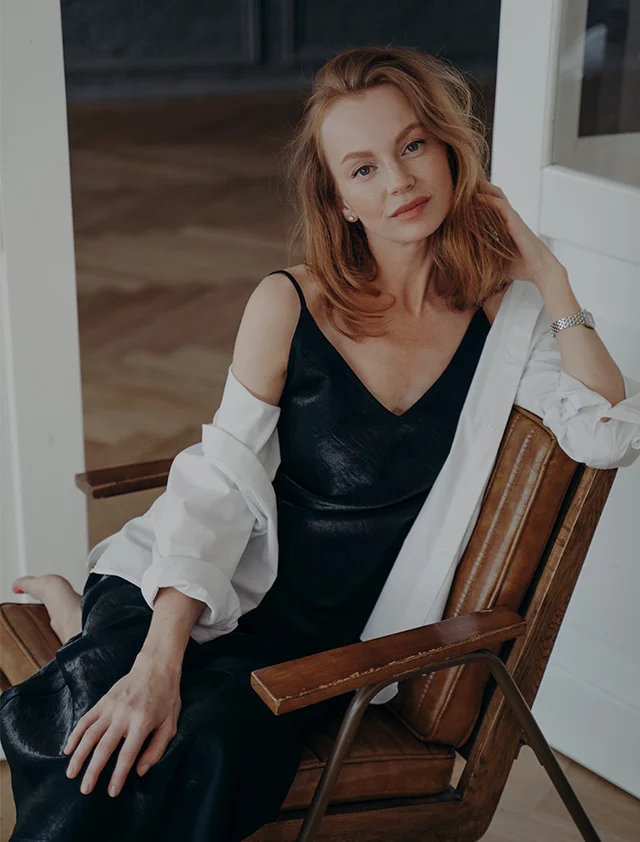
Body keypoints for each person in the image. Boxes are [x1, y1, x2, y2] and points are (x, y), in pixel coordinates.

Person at [2, 46, 638, 842]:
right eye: (364, 168)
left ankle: (77, 624)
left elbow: (607, 431)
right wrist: (157, 664)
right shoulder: (289, 303)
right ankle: (93, 622)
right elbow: (217, 488)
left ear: (448, 148)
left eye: (412, 146)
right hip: (193, 583)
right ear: (338, 198)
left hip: (314, 645)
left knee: (202, 747)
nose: (400, 181)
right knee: (108, 709)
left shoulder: (502, 323)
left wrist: (549, 276)